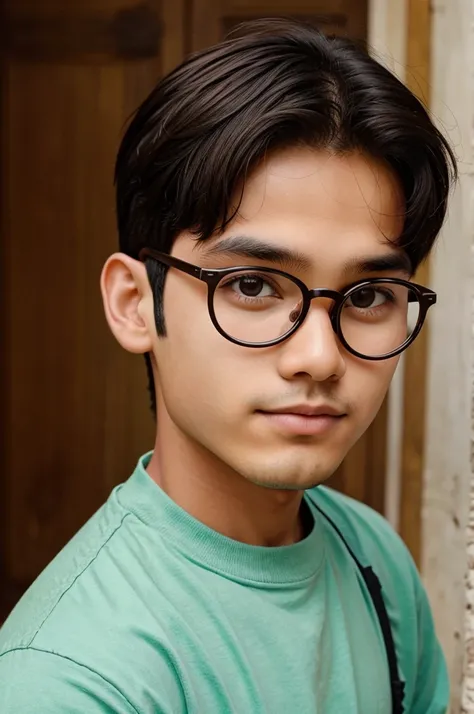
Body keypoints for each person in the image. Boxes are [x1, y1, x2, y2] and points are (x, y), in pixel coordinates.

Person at [0, 18, 456, 714]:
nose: (319, 357)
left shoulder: (375, 561)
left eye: (367, 296)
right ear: (134, 305)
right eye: (251, 286)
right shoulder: (68, 680)